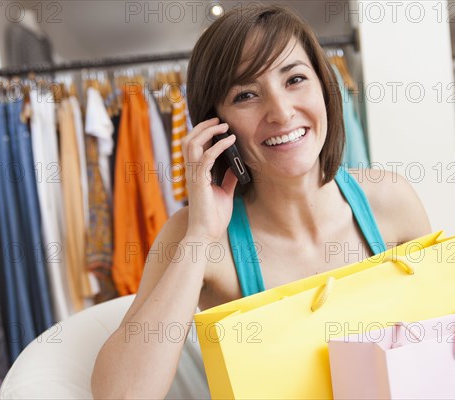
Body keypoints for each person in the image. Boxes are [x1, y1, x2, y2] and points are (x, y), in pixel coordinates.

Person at [91, 4, 431, 399]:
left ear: (325, 86)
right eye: (246, 94)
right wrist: (201, 235)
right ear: (215, 125)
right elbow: (120, 395)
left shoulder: (391, 200)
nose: (282, 112)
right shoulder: (194, 235)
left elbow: (447, 332)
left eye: (295, 79)